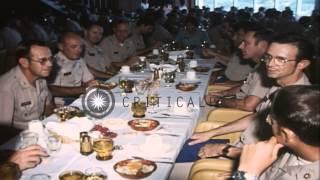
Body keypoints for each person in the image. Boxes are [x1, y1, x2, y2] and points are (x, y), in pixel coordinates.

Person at [191, 33, 312, 159]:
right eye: (268, 57)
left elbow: (277, 158)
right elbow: (257, 117)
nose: (270, 64)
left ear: (301, 64)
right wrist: (211, 133)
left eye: (281, 59)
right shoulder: (280, 84)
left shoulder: (299, 103)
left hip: (244, 157)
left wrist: (225, 150)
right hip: (239, 144)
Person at [234, 85, 319, 180]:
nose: (267, 121)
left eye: (271, 120)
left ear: (286, 135)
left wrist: (245, 174)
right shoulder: (296, 150)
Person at [205, 26, 273, 112]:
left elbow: (249, 106)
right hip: (238, 102)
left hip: (242, 112)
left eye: (246, 43)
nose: (240, 46)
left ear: (262, 45)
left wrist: (218, 101)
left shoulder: (267, 70)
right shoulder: (259, 65)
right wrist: (223, 93)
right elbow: (245, 86)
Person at [0, 41, 54, 129]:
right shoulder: (6, 88)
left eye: (51, 59)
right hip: (19, 137)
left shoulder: (40, 77)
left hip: (41, 128)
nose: (50, 64)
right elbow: (3, 130)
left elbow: (48, 106)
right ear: (24, 62)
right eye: (42, 60)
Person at [48, 32, 98, 106]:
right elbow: (52, 89)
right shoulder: (53, 64)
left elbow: (89, 80)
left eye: (81, 47)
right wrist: (83, 89)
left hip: (79, 98)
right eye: (74, 47)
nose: (79, 50)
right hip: (62, 103)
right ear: (61, 46)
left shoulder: (79, 60)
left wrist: (93, 84)